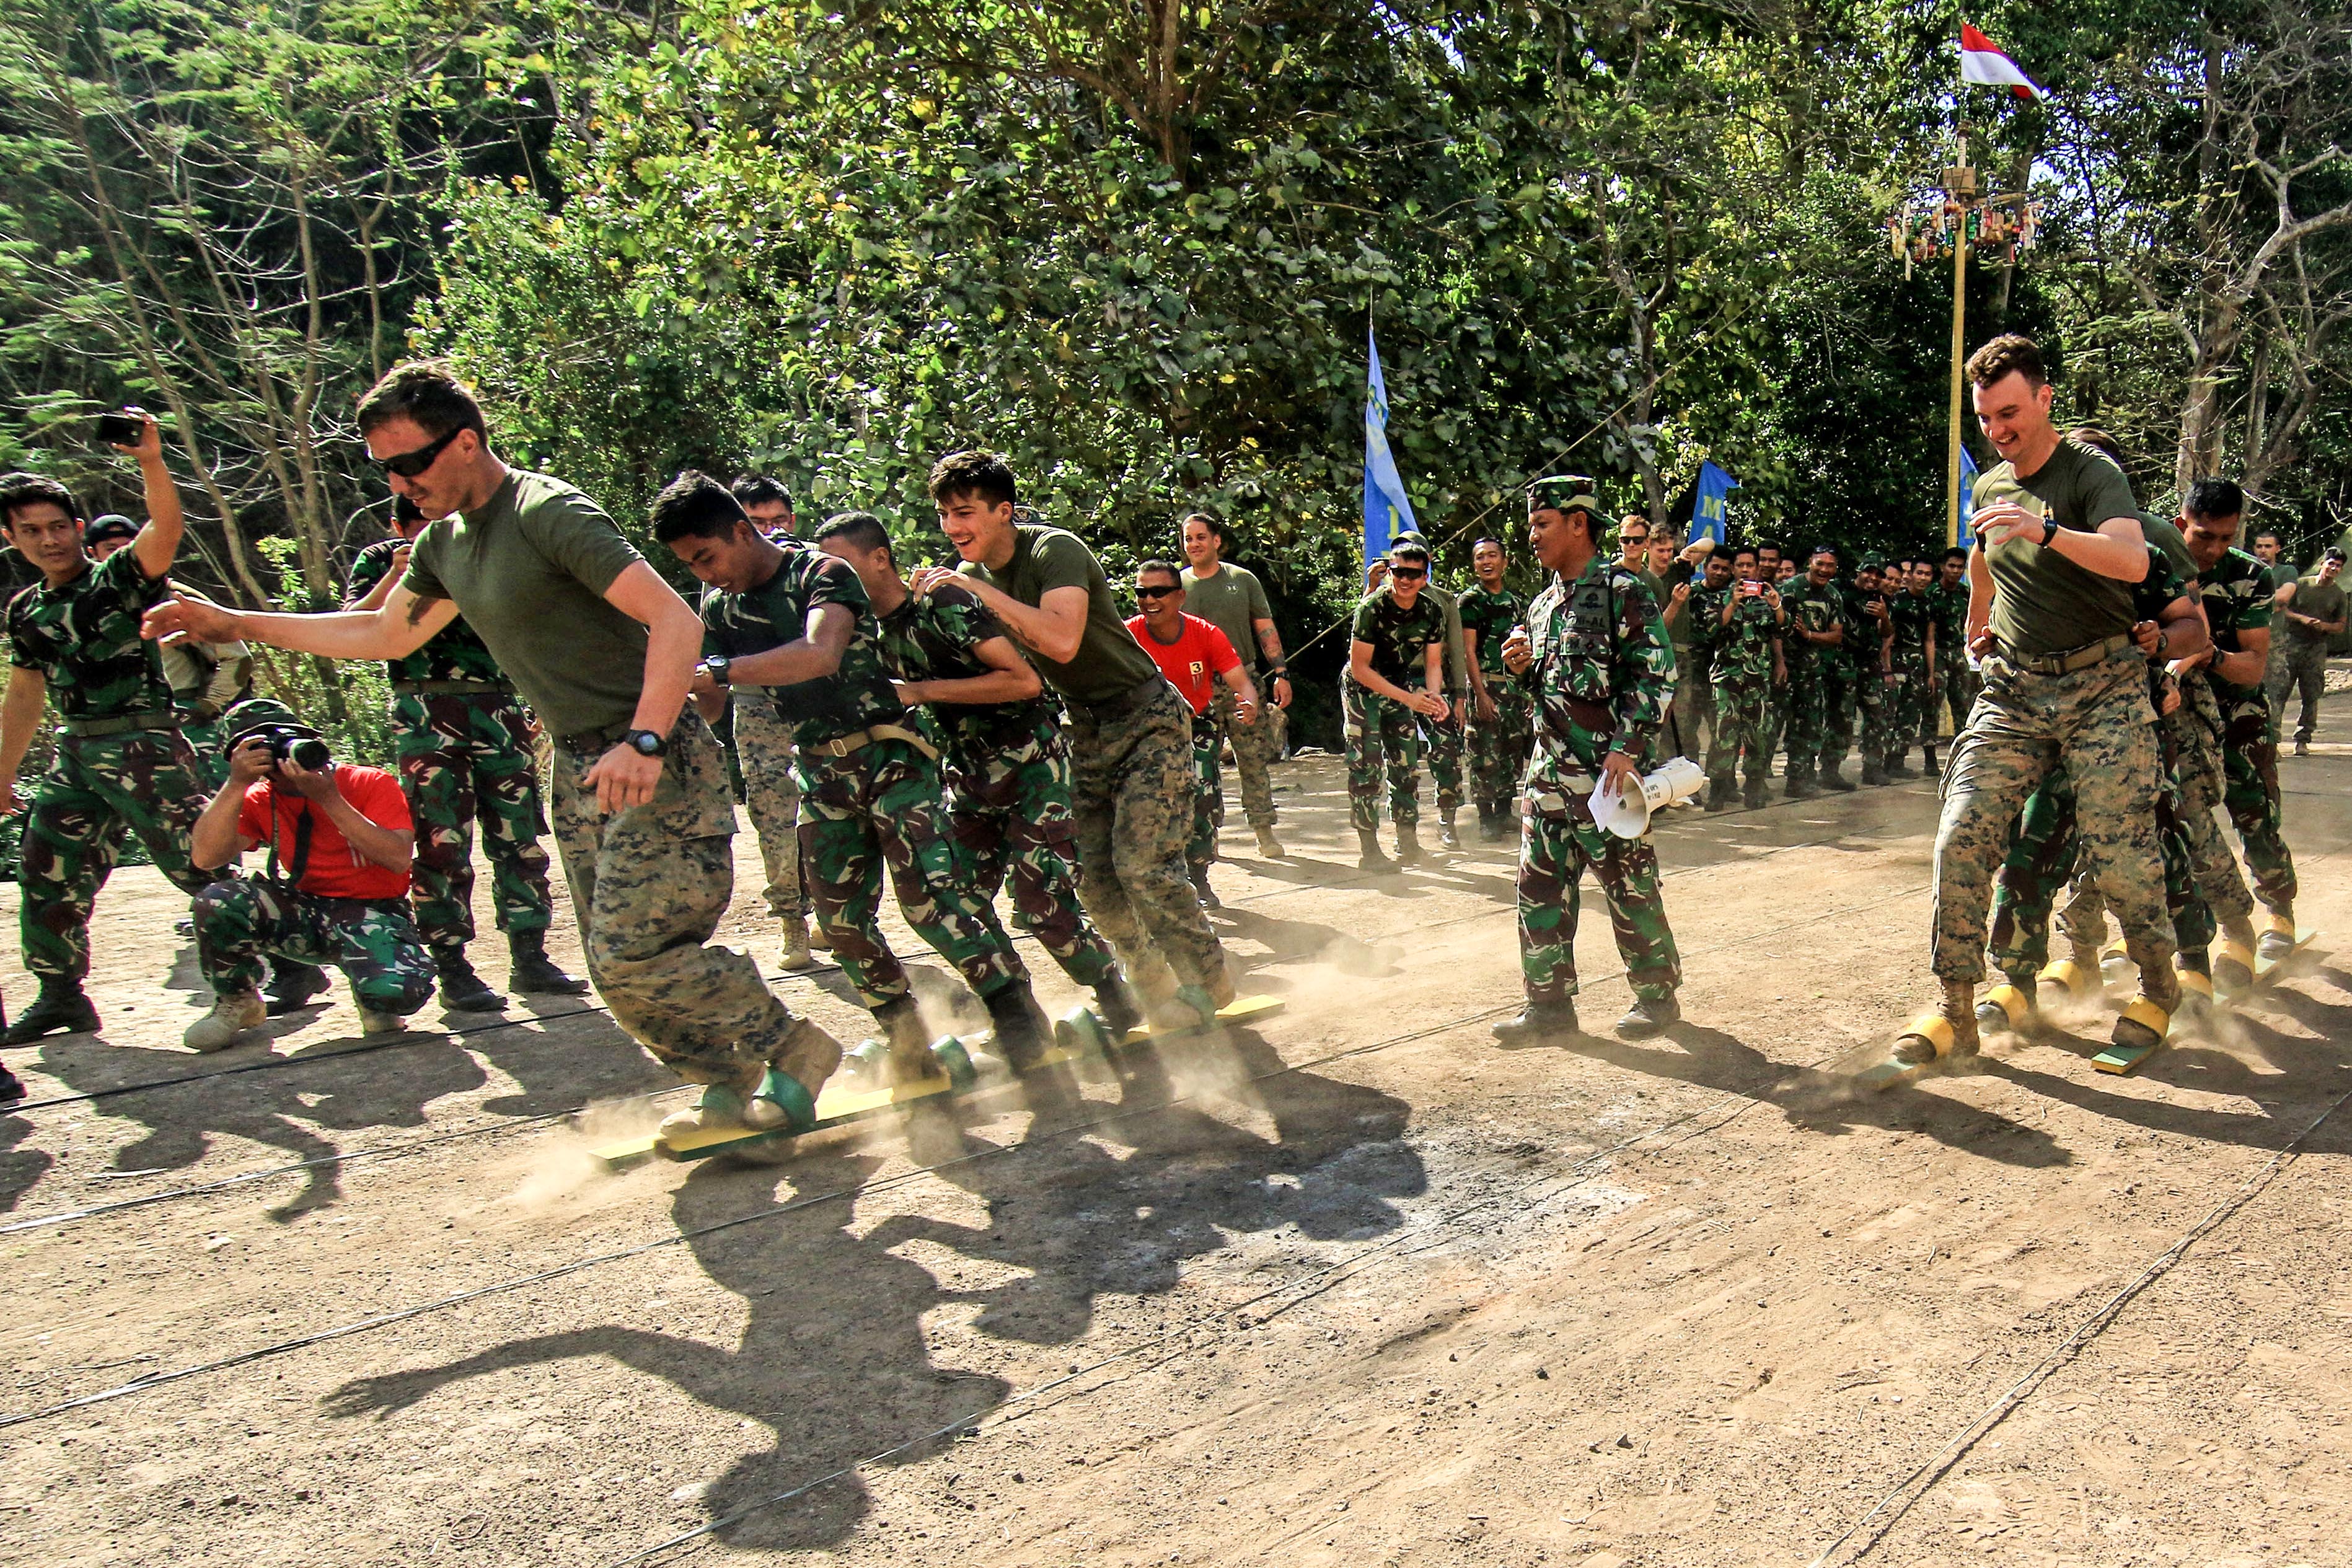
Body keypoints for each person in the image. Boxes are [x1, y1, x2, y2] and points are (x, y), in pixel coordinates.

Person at [144, 362, 845, 1146]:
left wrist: (645, 740)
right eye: (386, 470)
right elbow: (383, 634)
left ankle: (796, 1048)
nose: (401, 482)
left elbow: (676, 623)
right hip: (578, 768)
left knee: (630, 953)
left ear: (468, 442)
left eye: (412, 462)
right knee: (611, 966)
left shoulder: (547, 511)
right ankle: (727, 1077)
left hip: (653, 756)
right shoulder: (444, 543)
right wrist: (237, 622)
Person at [664, 476, 1047, 1075]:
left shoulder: (821, 574)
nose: (705, 574)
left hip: (889, 759)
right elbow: (714, 706)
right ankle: (906, 1037)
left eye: (707, 556)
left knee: (932, 902)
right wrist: (685, 686)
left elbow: (820, 654)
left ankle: (1017, 1017)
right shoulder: (719, 606)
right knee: (840, 922)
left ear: (742, 531)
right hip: (819, 770)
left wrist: (719, 668)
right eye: (690, 565)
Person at [1901, 333, 2178, 1067]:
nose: (1999, 431)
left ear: (2046, 398)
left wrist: (2048, 530)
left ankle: (2156, 984)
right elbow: (1983, 558)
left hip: (2103, 687)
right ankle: (1956, 1008)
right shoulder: (1991, 487)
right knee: (1960, 835)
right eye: (1987, 418)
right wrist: (1976, 622)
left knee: (2120, 854)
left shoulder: (2091, 473)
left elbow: (2131, 557)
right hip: (2017, 690)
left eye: (2010, 413)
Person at [924, 451, 1235, 1026]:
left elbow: (1062, 641)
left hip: (1146, 718)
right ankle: (1154, 987)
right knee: (1092, 877)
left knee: (1143, 866)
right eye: (944, 514)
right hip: (1081, 728)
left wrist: (975, 591)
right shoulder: (966, 578)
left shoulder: (1053, 549)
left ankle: (1207, 982)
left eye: (964, 512)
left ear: (1003, 512)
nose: (952, 528)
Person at [812, 513, 1138, 1037]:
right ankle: (1020, 1018)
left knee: (1040, 902)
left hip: (1031, 762)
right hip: (967, 775)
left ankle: (1114, 994)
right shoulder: (864, 635)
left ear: (879, 558)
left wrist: (921, 691)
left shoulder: (939, 603)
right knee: (960, 900)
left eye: (841, 564)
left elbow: (1024, 682)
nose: (831, 579)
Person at [0, 415, 215, 1044]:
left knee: (197, 862)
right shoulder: (28, 610)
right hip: (78, 751)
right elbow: (24, 692)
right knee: (47, 871)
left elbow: (166, 529)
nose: (50, 540)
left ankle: (277, 964)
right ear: (10, 536)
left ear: (76, 527)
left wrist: (150, 461)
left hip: (145, 743)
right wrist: (4, 771)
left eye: (59, 526)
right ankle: (61, 993)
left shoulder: (117, 579)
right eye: (32, 530)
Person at [346, 495, 586, 1011]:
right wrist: (397, 576)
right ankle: (451, 965)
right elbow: (356, 624)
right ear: (399, 526)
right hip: (424, 708)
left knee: (518, 835)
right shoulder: (382, 560)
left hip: (496, 705)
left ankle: (530, 955)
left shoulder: (484, 557)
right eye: (419, 528)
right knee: (440, 841)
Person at [1492, 476, 1681, 1042]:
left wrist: (1627, 748)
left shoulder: (1625, 588)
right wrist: (1522, 670)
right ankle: (1547, 1006)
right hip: (1546, 772)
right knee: (1538, 889)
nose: (1531, 536)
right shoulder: (1544, 603)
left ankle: (1656, 997)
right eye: (1530, 525)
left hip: (1604, 776)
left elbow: (1655, 671)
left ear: (1578, 524)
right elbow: (1550, 688)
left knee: (1628, 884)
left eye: (1541, 524)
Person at [178, 699, 436, 1049]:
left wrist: (329, 799)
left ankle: (371, 991)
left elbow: (396, 859)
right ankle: (238, 1000)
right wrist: (236, 784)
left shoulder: (366, 781)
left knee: (396, 995)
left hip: (375, 912)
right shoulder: (259, 797)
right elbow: (206, 858)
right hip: (305, 913)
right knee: (218, 900)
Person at [2179, 479, 2301, 962]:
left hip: (2238, 715)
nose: (2213, 548)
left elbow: (2251, 668)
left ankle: (2278, 908)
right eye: (2202, 536)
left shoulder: (2249, 576)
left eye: (2225, 538)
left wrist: (2204, 656)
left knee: (2255, 815)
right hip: (2176, 716)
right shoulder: (2154, 567)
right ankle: (2196, 920)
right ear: (2179, 524)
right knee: (2181, 823)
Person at [722, 473, 821, 967]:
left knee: (827, 809)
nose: (769, 531)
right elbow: (713, 650)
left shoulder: (811, 568)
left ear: (793, 520)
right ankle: (792, 921)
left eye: (777, 520)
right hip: (757, 708)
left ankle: (832, 909)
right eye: (756, 523)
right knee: (772, 814)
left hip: (817, 704)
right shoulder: (722, 578)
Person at [1124, 562, 1261, 909]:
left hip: (1194, 723)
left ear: (1180, 596)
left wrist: (1249, 701)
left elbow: (1240, 680)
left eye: (1159, 592)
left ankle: (1197, 876)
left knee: (1202, 794)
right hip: (1141, 729)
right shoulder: (1126, 636)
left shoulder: (1206, 634)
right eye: (1142, 592)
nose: (1149, 599)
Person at [84, 514, 255, 791]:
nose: (123, 557)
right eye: (112, 549)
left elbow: (238, 657)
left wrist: (206, 706)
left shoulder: (174, 597)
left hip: (183, 720)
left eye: (130, 547)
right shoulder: (81, 608)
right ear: (92, 553)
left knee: (214, 803)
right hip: (116, 729)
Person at [1178, 513, 1291, 858]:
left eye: (1200, 537)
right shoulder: (1176, 585)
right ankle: (1203, 838)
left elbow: (1265, 628)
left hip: (1243, 680)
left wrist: (1281, 673)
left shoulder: (1242, 580)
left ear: (1216, 541)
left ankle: (1263, 831)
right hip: (1196, 685)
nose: (1194, 545)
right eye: (1188, 539)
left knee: (1252, 759)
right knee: (1200, 764)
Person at [1345, 539, 1450, 869]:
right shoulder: (1371, 609)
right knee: (1366, 768)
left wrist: (1433, 698)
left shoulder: (1431, 611)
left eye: (1413, 574)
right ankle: (1370, 850)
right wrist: (1410, 699)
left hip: (1401, 687)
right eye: (1398, 572)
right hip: (1363, 691)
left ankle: (1408, 841)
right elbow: (1360, 667)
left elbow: (1434, 663)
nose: (1405, 580)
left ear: (1425, 577)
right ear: (1389, 571)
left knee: (1406, 765)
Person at [1458, 536, 1531, 840]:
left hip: (1514, 687)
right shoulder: (1470, 602)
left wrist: (1527, 691)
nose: (1486, 562)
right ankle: (1486, 817)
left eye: (1492, 556)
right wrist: (1480, 694)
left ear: (1504, 561)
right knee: (1484, 754)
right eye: (1479, 557)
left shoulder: (1515, 604)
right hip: (1486, 683)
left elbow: (1525, 649)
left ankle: (1504, 811)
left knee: (1512, 751)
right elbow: (1468, 651)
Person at [1700, 545, 1784, 811]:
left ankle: (1755, 786)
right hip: (1727, 678)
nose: (1745, 570)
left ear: (1758, 568)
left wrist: (1777, 606)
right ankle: (1718, 788)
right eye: (1741, 565)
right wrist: (1732, 603)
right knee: (1724, 734)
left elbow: (1783, 628)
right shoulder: (1719, 597)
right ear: (1734, 569)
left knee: (1757, 734)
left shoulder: (1767, 597)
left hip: (1757, 679)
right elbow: (1711, 629)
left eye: (1751, 565)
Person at [1777, 545, 1848, 798]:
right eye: (1820, 564)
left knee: (1809, 726)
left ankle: (1799, 779)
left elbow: (1837, 636)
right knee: (1773, 726)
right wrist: (1780, 663)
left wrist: (1809, 635)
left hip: (1814, 672)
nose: (1824, 570)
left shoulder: (1833, 596)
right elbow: (1777, 630)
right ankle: (1756, 781)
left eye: (1830, 566)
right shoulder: (1790, 590)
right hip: (1785, 668)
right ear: (1810, 562)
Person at [2266, 547, 2346, 755]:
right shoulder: (2302, 584)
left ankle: (2303, 740)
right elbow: (2282, 608)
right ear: (2323, 564)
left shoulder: (2338, 595)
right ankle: (2273, 741)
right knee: (2279, 693)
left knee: (2311, 696)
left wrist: (2324, 626)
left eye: (2338, 566)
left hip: (2316, 649)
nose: (2334, 568)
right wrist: (2302, 619)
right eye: (2331, 564)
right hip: (2290, 644)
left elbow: (2340, 626)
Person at [1882, 558, 1939, 777]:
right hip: (1897, 662)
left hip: (1918, 666)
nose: (1923, 578)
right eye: (1919, 573)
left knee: (1910, 716)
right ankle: (1882, 761)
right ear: (1911, 575)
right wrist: (1886, 668)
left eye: (1928, 574)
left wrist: (1931, 674)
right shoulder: (1896, 600)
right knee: (1891, 714)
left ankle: (1898, 761)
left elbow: (1929, 640)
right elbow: (1887, 637)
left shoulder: (1928, 604)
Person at [1848, 559, 1896, 785]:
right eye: (1869, 572)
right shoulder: (1841, 592)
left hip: (1869, 666)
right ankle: (1829, 769)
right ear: (1859, 571)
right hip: (1843, 664)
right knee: (1841, 718)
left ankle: (1873, 767)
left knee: (1877, 717)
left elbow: (1887, 633)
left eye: (1879, 574)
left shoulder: (1881, 599)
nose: (1873, 578)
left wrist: (1884, 616)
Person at [1929, 547, 1976, 742]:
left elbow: (1970, 622)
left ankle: (1962, 750)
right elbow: (1929, 635)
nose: (1956, 571)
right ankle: (1930, 756)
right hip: (1937, 653)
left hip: (1957, 653)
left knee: (1963, 705)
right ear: (1942, 567)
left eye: (1960, 567)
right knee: (1933, 706)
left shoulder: (1965, 593)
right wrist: (1931, 671)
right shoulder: (1932, 593)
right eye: (1951, 566)